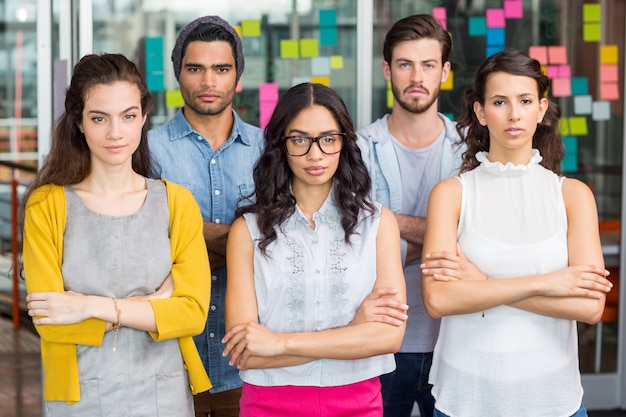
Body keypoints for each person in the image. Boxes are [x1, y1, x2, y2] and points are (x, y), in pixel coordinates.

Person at [420, 49, 613, 417]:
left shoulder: (572, 196)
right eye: (499, 101)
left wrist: (480, 282)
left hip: (554, 399)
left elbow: (590, 307)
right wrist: (546, 283)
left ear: (541, 110)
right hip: (466, 398)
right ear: (480, 112)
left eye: (525, 101)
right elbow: (439, 301)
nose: (513, 114)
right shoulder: (451, 194)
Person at [22, 53, 211, 416]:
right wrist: (156, 305)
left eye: (127, 116)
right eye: (99, 118)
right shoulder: (47, 205)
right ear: (78, 122)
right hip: (78, 399)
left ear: (143, 117)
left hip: (164, 395)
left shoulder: (177, 203)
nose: (115, 133)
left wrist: (87, 306)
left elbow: (191, 315)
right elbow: (52, 325)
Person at [222, 82, 407, 417]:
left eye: (328, 139)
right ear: (281, 144)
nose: (315, 154)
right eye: (299, 139)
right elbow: (246, 352)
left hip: (357, 402)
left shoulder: (379, 224)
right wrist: (353, 335)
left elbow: (388, 338)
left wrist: (280, 343)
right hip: (269, 403)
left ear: (343, 143)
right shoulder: (247, 231)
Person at [148, 16, 264, 417]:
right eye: (195, 68)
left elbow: (282, 246)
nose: (208, 81)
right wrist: (244, 240)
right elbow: (149, 249)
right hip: (170, 366)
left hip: (249, 368)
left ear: (238, 75)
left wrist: (188, 241)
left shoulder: (269, 152)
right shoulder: (146, 152)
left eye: (221, 69)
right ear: (178, 73)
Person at [356, 14, 463, 417]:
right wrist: (445, 237)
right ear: (387, 69)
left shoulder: (471, 151)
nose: (416, 77)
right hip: (383, 344)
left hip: (456, 340)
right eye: (405, 64)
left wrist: (385, 221)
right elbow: (356, 248)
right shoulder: (358, 151)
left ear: (445, 71)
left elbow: (474, 239)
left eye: (428, 65)